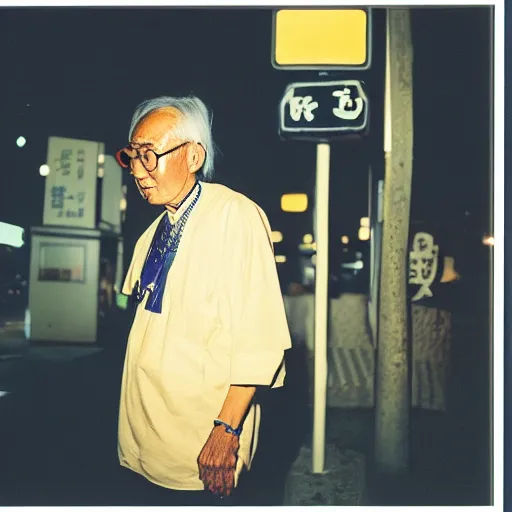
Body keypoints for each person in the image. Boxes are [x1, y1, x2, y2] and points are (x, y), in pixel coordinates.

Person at [115, 95, 291, 506]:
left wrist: (226, 432)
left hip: (202, 445)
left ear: (193, 155)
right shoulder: (152, 232)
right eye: (132, 156)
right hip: (144, 440)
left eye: (149, 155)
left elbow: (258, 339)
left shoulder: (236, 217)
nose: (138, 171)